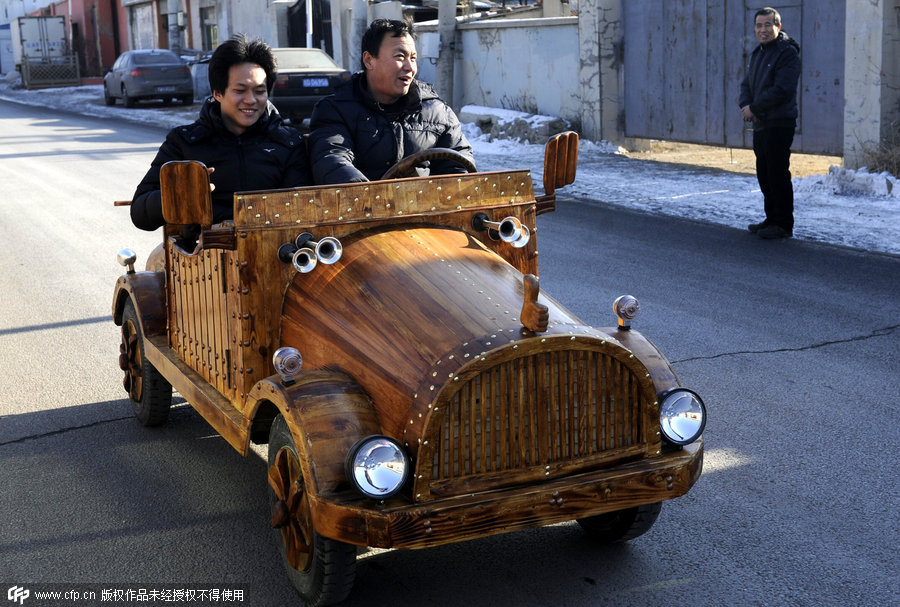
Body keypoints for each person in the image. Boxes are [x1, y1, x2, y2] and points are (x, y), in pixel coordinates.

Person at [130, 34, 310, 231]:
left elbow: (303, 210)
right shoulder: (185, 143)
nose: (251, 100)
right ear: (217, 93)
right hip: (201, 256)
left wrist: (235, 229)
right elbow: (140, 212)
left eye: (259, 91)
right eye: (240, 90)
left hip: (273, 252)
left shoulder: (288, 143)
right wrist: (181, 194)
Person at [307, 18, 475, 185]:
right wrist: (371, 197)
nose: (410, 67)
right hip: (366, 209)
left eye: (413, 58)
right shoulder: (335, 110)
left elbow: (459, 168)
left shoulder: (437, 112)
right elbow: (332, 160)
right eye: (400, 56)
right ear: (369, 60)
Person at [739, 7, 801, 240]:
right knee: (764, 173)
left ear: (778, 26)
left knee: (777, 173)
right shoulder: (758, 53)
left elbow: (782, 90)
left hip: (779, 122)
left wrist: (754, 108)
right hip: (761, 122)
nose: (763, 30)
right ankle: (771, 218)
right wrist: (746, 106)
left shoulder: (787, 53)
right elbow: (746, 85)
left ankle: (783, 224)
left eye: (767, 25)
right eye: (759, 25)